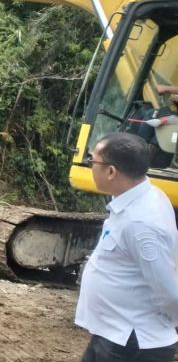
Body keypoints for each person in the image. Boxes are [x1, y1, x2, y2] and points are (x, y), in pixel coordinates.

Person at [76, 132, 178, 362]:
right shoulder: (135, 199)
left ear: (111, 171)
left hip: (131, 343)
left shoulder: (141, 222)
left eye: (93, 161)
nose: (90, 166)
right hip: (114, 334)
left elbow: (168, 290)